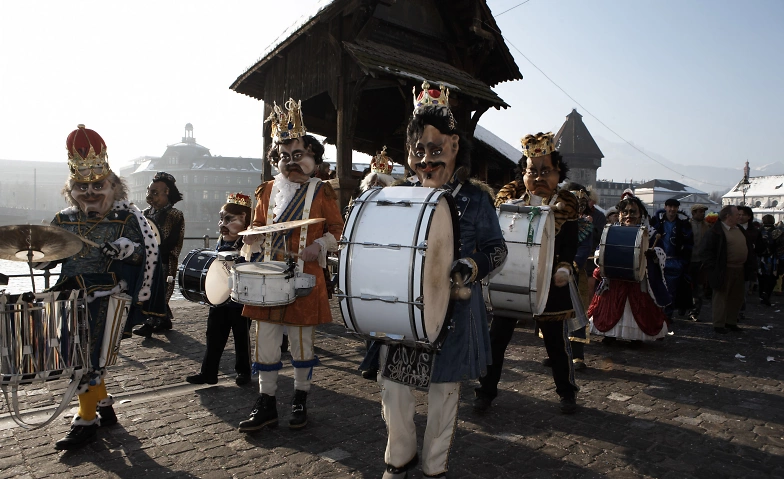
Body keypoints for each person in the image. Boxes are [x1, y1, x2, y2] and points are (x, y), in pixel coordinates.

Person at [371, 82, 506, 479]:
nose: (427, 161)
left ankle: (434, 469)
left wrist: (471, 264)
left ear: (454, 148)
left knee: (443, 394)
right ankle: (400, 459)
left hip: (454, 313)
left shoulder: (477, 198)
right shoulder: (397, 194)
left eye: (436, 150)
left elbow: (497, 250)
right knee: (394, 389)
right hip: (403, 314)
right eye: (419, 152)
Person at [47, 125, 166, 450]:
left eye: (97, 185)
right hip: (69, 296)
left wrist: (126, 247)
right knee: (84, 356)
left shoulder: (125, 218)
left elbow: (144, 251)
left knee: (84, 359)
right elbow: (48, 252)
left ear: (113, 186)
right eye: (81, 186)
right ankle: (102, 404)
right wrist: (39, 258)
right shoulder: (64, 220)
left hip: (107, 297)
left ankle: (86, 420)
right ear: (72, 189)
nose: (89, 192)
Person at [237, 99, 343, 434]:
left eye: (298, 155)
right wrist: (251, 237)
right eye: (284, 157)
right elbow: (255, 225)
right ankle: (266, 403)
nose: (291, 162)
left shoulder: (322, 190)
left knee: (301, 342)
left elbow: (337, 231)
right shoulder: (266, 189)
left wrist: (319, 245)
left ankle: (300, 399)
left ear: (313, 157)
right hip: (267, 277)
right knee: (265, 343)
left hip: (304, 276)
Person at [474, 131, 580, 416]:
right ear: (523, 173)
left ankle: (567, 392)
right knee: (496, 339)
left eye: (547, 171)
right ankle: (485, 391)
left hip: (549, 282)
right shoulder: (508, 202)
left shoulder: (566, 204)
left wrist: (563, 267)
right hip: (512, 278)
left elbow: (570, 245)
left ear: (558, 173)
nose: (539, 177)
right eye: (532, 171)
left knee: (556, 343)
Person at [185, 193, 254, 386]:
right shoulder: (221, 241)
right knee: (214, 334)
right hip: (220, 297)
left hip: (240, 298)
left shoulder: (250, 242)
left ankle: (243, 371)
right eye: (221, 218)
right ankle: (209, 372)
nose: (221, 223)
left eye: (228, 219)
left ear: (244, 218)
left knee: (241, 336)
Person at [588, 190, 670, 342]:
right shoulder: (611, 231)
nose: (628, 215)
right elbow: (601, 249)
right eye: (624, 212)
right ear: (619, 214)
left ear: (640, 214)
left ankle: (636, 337)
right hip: (615, 281)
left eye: (633, 212)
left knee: (637, 307)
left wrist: (654, 254)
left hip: (639, 282)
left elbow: (661, 252)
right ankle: (610, 334)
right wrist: (600, 257)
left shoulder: (650, 234)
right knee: (611, 305)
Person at [355, 147, 396, 382]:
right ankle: (376, 358)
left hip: (388, 265)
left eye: (379, 184)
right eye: (372, 183)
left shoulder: (395, 206)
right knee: (370, 313)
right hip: (364, 265)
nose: (374, 188)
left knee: (384, 313)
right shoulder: (359, 205)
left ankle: (371, 363)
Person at [134, 171, 185, 336]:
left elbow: (172, 241)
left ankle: (151, 323)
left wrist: (156, 249)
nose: (150, 197)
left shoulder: (175, 215)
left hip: (164, 259)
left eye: (155, 193)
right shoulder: (144, 214)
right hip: (147, 258)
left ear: (167, 193)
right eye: (149, 192)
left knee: (158, 289)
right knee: (148, 288)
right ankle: (163, 319)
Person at [703, 205, 755, 334]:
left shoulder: (739, 229)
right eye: (737, 214)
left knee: (736, 297)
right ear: (728, 216)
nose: (739, 216)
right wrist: (713, 270)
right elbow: (708, 252)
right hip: (724, 269)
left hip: (740, 268)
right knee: (721, 297)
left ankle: (731, 321)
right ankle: (719, 324)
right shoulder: (716, 231)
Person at [650, 198, 693, 321]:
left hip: (675, 262)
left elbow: (689, 244)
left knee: (672, 290)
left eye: (675, 207)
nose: (672, 209)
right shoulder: (656, 223)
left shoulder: (684, 225)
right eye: (670, 206)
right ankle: (655, 314)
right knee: (655, 288)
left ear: (677, 209)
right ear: (665, 207)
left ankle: (667, 315)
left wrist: (683, 261)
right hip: (657, 261)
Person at [737, 205, 762, 320]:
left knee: (743, 289)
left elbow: (760, 248)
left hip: (747, 264)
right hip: (733, 262)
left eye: (743, 215)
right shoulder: (732, 227)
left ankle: (740, 311)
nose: (740, 217)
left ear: (749, 217)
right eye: (739, 214)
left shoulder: (754, 231)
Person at [688, 204, 710, 321]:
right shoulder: (687, 225)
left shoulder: (707, 226)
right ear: (694, 213)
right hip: (688, 260)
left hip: (701, 261)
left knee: (699, 288)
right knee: (686, 286)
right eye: (700, 212)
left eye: (703, 212)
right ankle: (684, 307)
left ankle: (695, 312)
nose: (702, 214)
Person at [757, 214, 784, 306]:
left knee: (761, 277)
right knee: (772, 277)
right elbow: (781, 247)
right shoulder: (778, 231)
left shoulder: (759, 231)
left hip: (761, 258)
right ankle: (767, 294)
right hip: (773, 259)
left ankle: (761, 296)